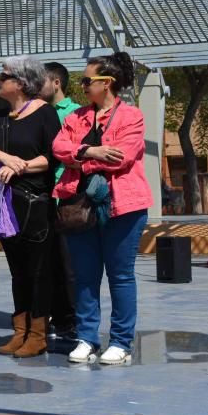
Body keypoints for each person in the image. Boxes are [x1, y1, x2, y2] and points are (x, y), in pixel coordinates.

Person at [53, 52, 152, 365]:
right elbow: (58, 147)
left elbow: (121, 156)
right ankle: (86, 338)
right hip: (79, 207)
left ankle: (121, 342)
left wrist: (78, 159)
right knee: (85, 276)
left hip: (123, 207)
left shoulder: (131, 116)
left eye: (87, 80)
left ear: (106, 83)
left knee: (121, 276)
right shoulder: (75, 117)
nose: (82, 86)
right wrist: (90, 151)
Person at [0, 56, 61, 358]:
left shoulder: (45, 114)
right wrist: (6, 158)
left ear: (22, 83)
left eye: (3, 76)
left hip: (35, 204)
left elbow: (52, 157)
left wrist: (19, 167)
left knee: (38, 270)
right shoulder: (1, 116)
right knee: (17, 271)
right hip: (6, 205)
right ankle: (20, 330)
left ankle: (38, 334)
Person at [42, 61, 82, 339]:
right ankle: (56, 317)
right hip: (44, 197)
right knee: (49, 263)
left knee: (71, 266)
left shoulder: (77, 113)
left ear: (56, 83)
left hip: (67, 197)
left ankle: (74, 320)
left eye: (41, 80)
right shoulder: (37, 112)